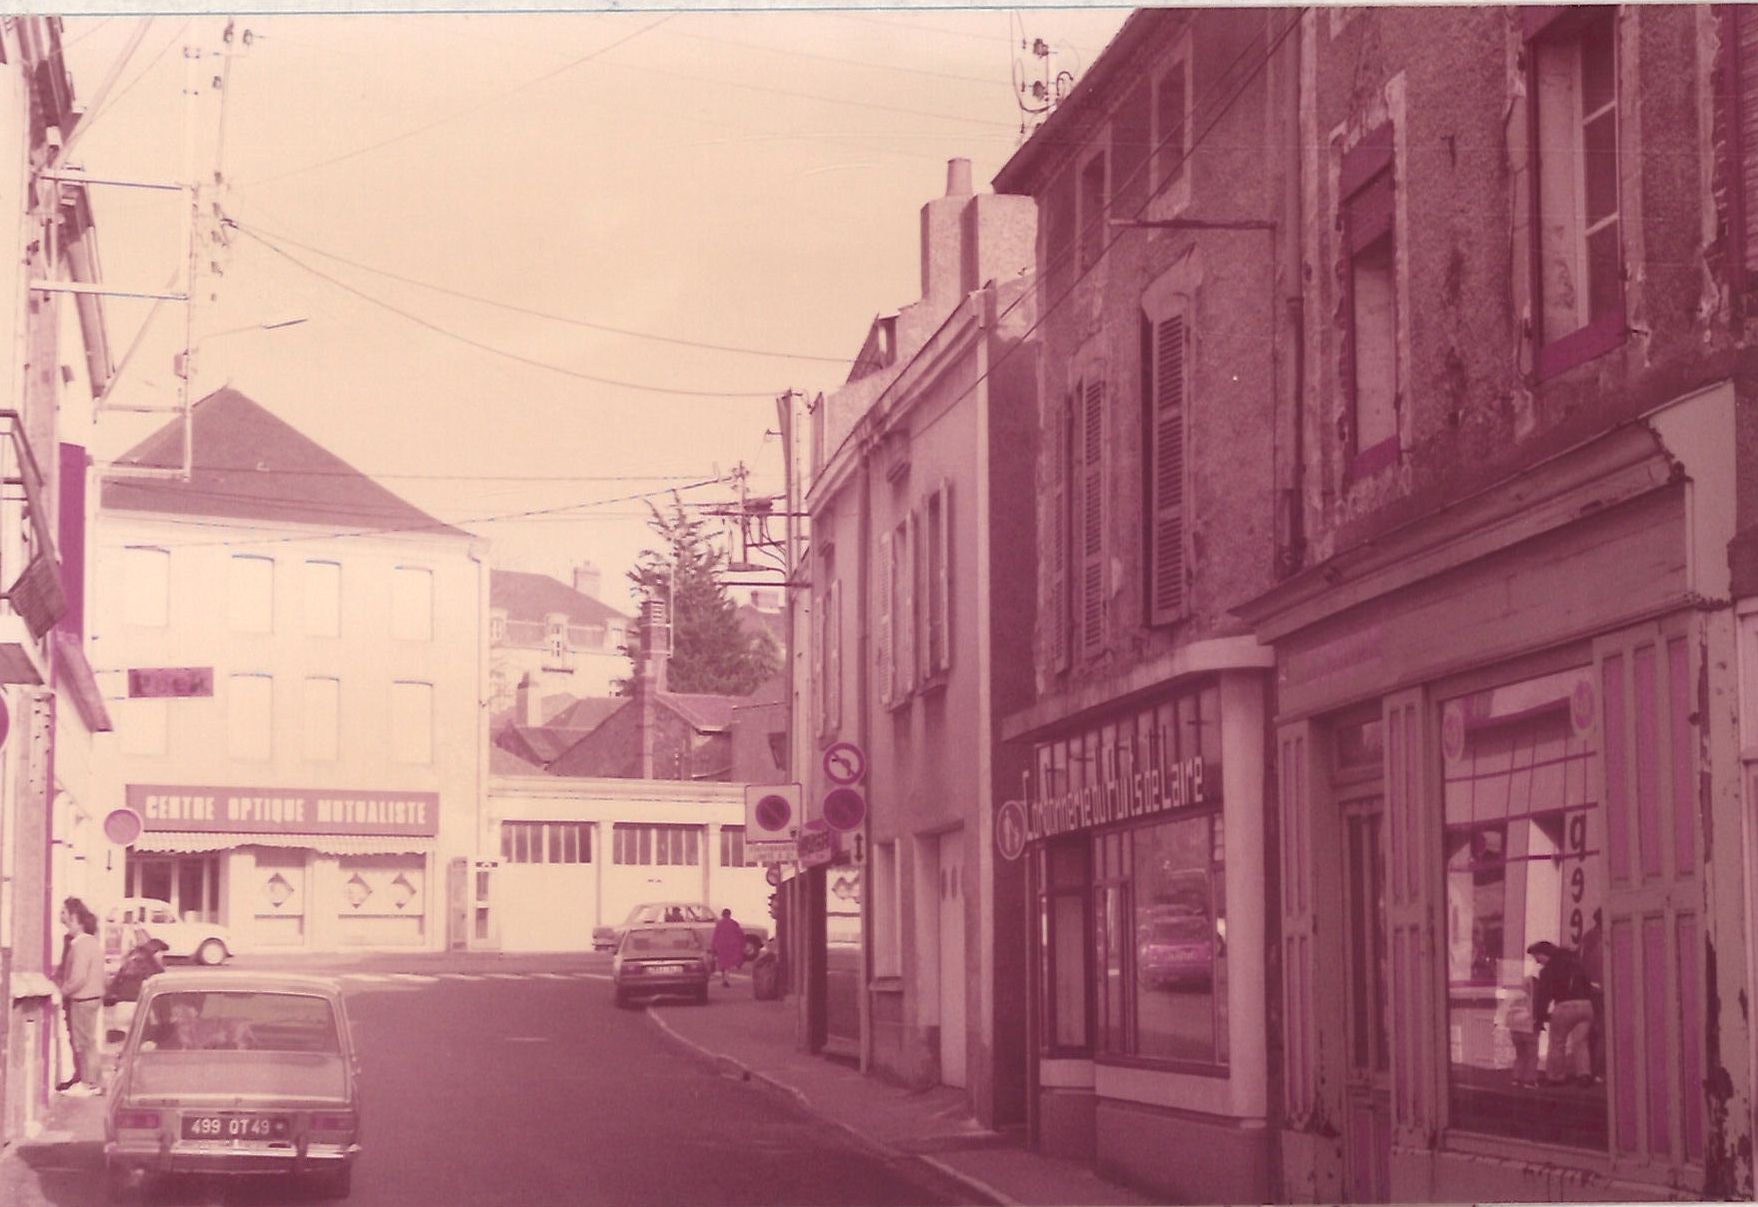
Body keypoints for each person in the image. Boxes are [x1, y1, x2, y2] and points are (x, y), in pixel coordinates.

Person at [1529, 940, 1596, 1087]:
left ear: (1544, 954)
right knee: (1581, 1042)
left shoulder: (1548, 970)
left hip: (1565, 1005)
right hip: (1586, 1005)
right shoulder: (1575, 962)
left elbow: (1543, 996)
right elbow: (1588, 984)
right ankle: (1584, 1075)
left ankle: (1555, 1077)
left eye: (1537, 957)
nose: (1537, 962)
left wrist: (1539, 1018)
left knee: (1557, 1042)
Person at [57, 898, 105, 1097]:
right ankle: (90, 1081)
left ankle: (89, 1083)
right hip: (90, 998)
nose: (61, 918)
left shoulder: (82, 944)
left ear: (74, 917)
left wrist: (62, 991)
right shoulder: (88, 942)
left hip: (83, 999)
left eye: (63, 913)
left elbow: (78, 978)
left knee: (84, 1042)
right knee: (88, 1042)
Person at [710, 908, 745, 988]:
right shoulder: (734, 923)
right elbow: (740, 934)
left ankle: (724, 979)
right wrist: (742, 944)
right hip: (731, 946)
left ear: (722, 915)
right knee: (727, 964)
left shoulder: (719, 924)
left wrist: (713, 947)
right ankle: (726, 980)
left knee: (722, 963)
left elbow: (715, 936)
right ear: (730, 914)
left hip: (721, 946)